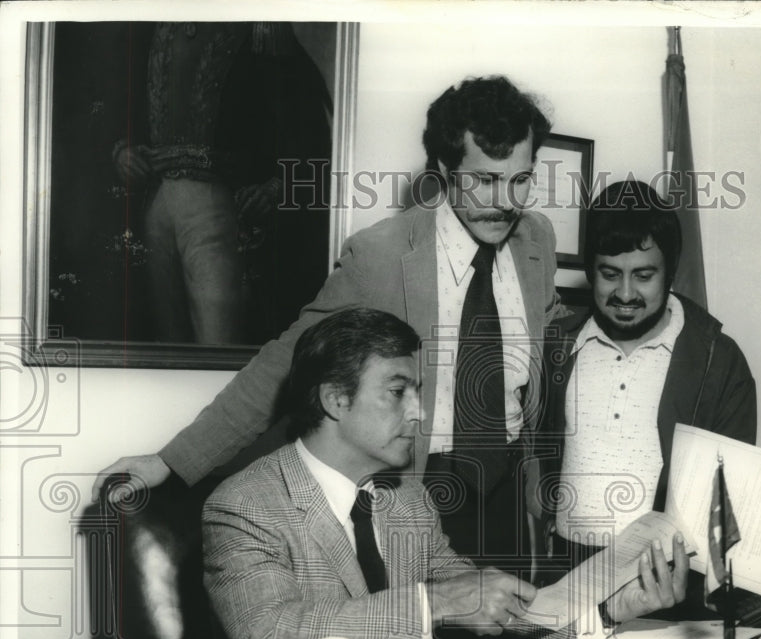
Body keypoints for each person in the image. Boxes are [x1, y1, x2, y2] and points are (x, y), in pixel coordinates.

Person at [95, 75, 563, 573]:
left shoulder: (536, 241)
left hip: (510, 490)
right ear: (446, 170)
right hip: (420, 491)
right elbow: (284, 361)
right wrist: (172, 461)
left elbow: (550, 343)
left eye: (521, 179)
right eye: (486, 180)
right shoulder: (382, 256)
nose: (507, 200)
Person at [203, 308, 689, 639]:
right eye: (398, 392)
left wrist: (613, 609)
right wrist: (434, 602)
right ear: (335, 400)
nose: (419, 411)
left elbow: (487, 605)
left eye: (418, 391)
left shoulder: (407, 500)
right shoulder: (246, 505)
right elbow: (268, 634)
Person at [534, 179, 756, 616]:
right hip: (565, 579)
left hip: (670, 588)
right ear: (590, 269)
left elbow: (731, 504)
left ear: (670, 273)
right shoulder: (555, 346)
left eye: (644, 275)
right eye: (609, 273)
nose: (625, 294)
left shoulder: (718, 360)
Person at [111, 21, 332, 345]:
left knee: (219, 345)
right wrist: (123, 150)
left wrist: (277, 185)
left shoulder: (261, 27)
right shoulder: (149, 25)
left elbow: (306, 123)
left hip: (219, 208)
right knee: (162, 346)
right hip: (154, 203)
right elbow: (118, 105)